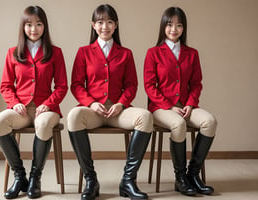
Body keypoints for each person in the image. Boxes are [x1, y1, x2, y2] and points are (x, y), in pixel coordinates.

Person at [67, 4, 153, 200]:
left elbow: (131, 85)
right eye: (100, 22)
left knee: (145, 117)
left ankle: (128, 181)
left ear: (115, 25)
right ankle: (91, 180)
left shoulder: (126, 53)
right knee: (73, 116)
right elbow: (77, 85)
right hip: (93, 112)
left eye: (109, 22)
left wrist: (121, 104)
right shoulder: (84, 52)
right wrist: (90, 103)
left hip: (118, 112)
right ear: (93, 25)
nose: (104, 26)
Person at [0, 6, 68, 199]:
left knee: (43, 124)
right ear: (23, 27)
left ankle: (36, 177)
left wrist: (48, 104)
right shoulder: (13, 53)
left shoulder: (56, 53)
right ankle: (20, 177)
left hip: (47, 108)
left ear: (45, 26)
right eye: (29, 24)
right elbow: (6, 85)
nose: (34, 29)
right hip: (22, 109)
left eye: (38, 24)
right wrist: (14, 102)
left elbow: (61, 86)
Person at [144, 7, 217, 196]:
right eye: (169, 25)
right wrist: (169, 106)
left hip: (186, 105)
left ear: (183, 28)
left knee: (210, 122)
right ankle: (180, 177)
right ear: (163, 27)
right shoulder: (153, 53)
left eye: (178, 25)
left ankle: (193, 174)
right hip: (160, 107)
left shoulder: (192, 54)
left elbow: (196, 84)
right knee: (177, 124)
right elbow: (150, 86)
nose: (173, 29)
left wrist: (190, 104)